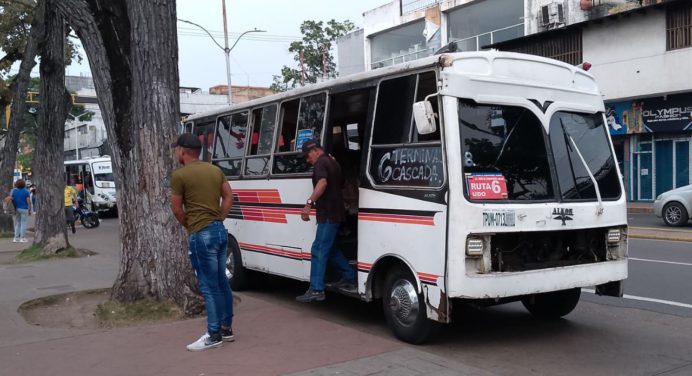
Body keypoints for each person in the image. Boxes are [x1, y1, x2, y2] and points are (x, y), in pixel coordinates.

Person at [170, 133, 234, 352]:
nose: (176, 152)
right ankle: (226, 328)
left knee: (208, 286)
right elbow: (229, 196)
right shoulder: (215, 170)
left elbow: (176, 208)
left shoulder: (180, 175)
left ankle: (213, 333)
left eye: (176, 149)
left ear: (183, 151)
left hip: (202, 233)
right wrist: (220, 218)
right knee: (221, 282)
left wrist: (191, 226)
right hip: (220, 231)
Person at [296, 139, 356, 303]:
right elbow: (343, 183)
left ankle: (316, 289)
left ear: (315, 150)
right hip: (337, 213)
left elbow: (322, 183)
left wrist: (308, 204)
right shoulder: (333, 162)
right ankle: (350, 276)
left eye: (307, 156)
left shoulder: (321, 163)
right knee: (331, 248)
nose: (308, 160)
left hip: (329, 214)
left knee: (318, 249)